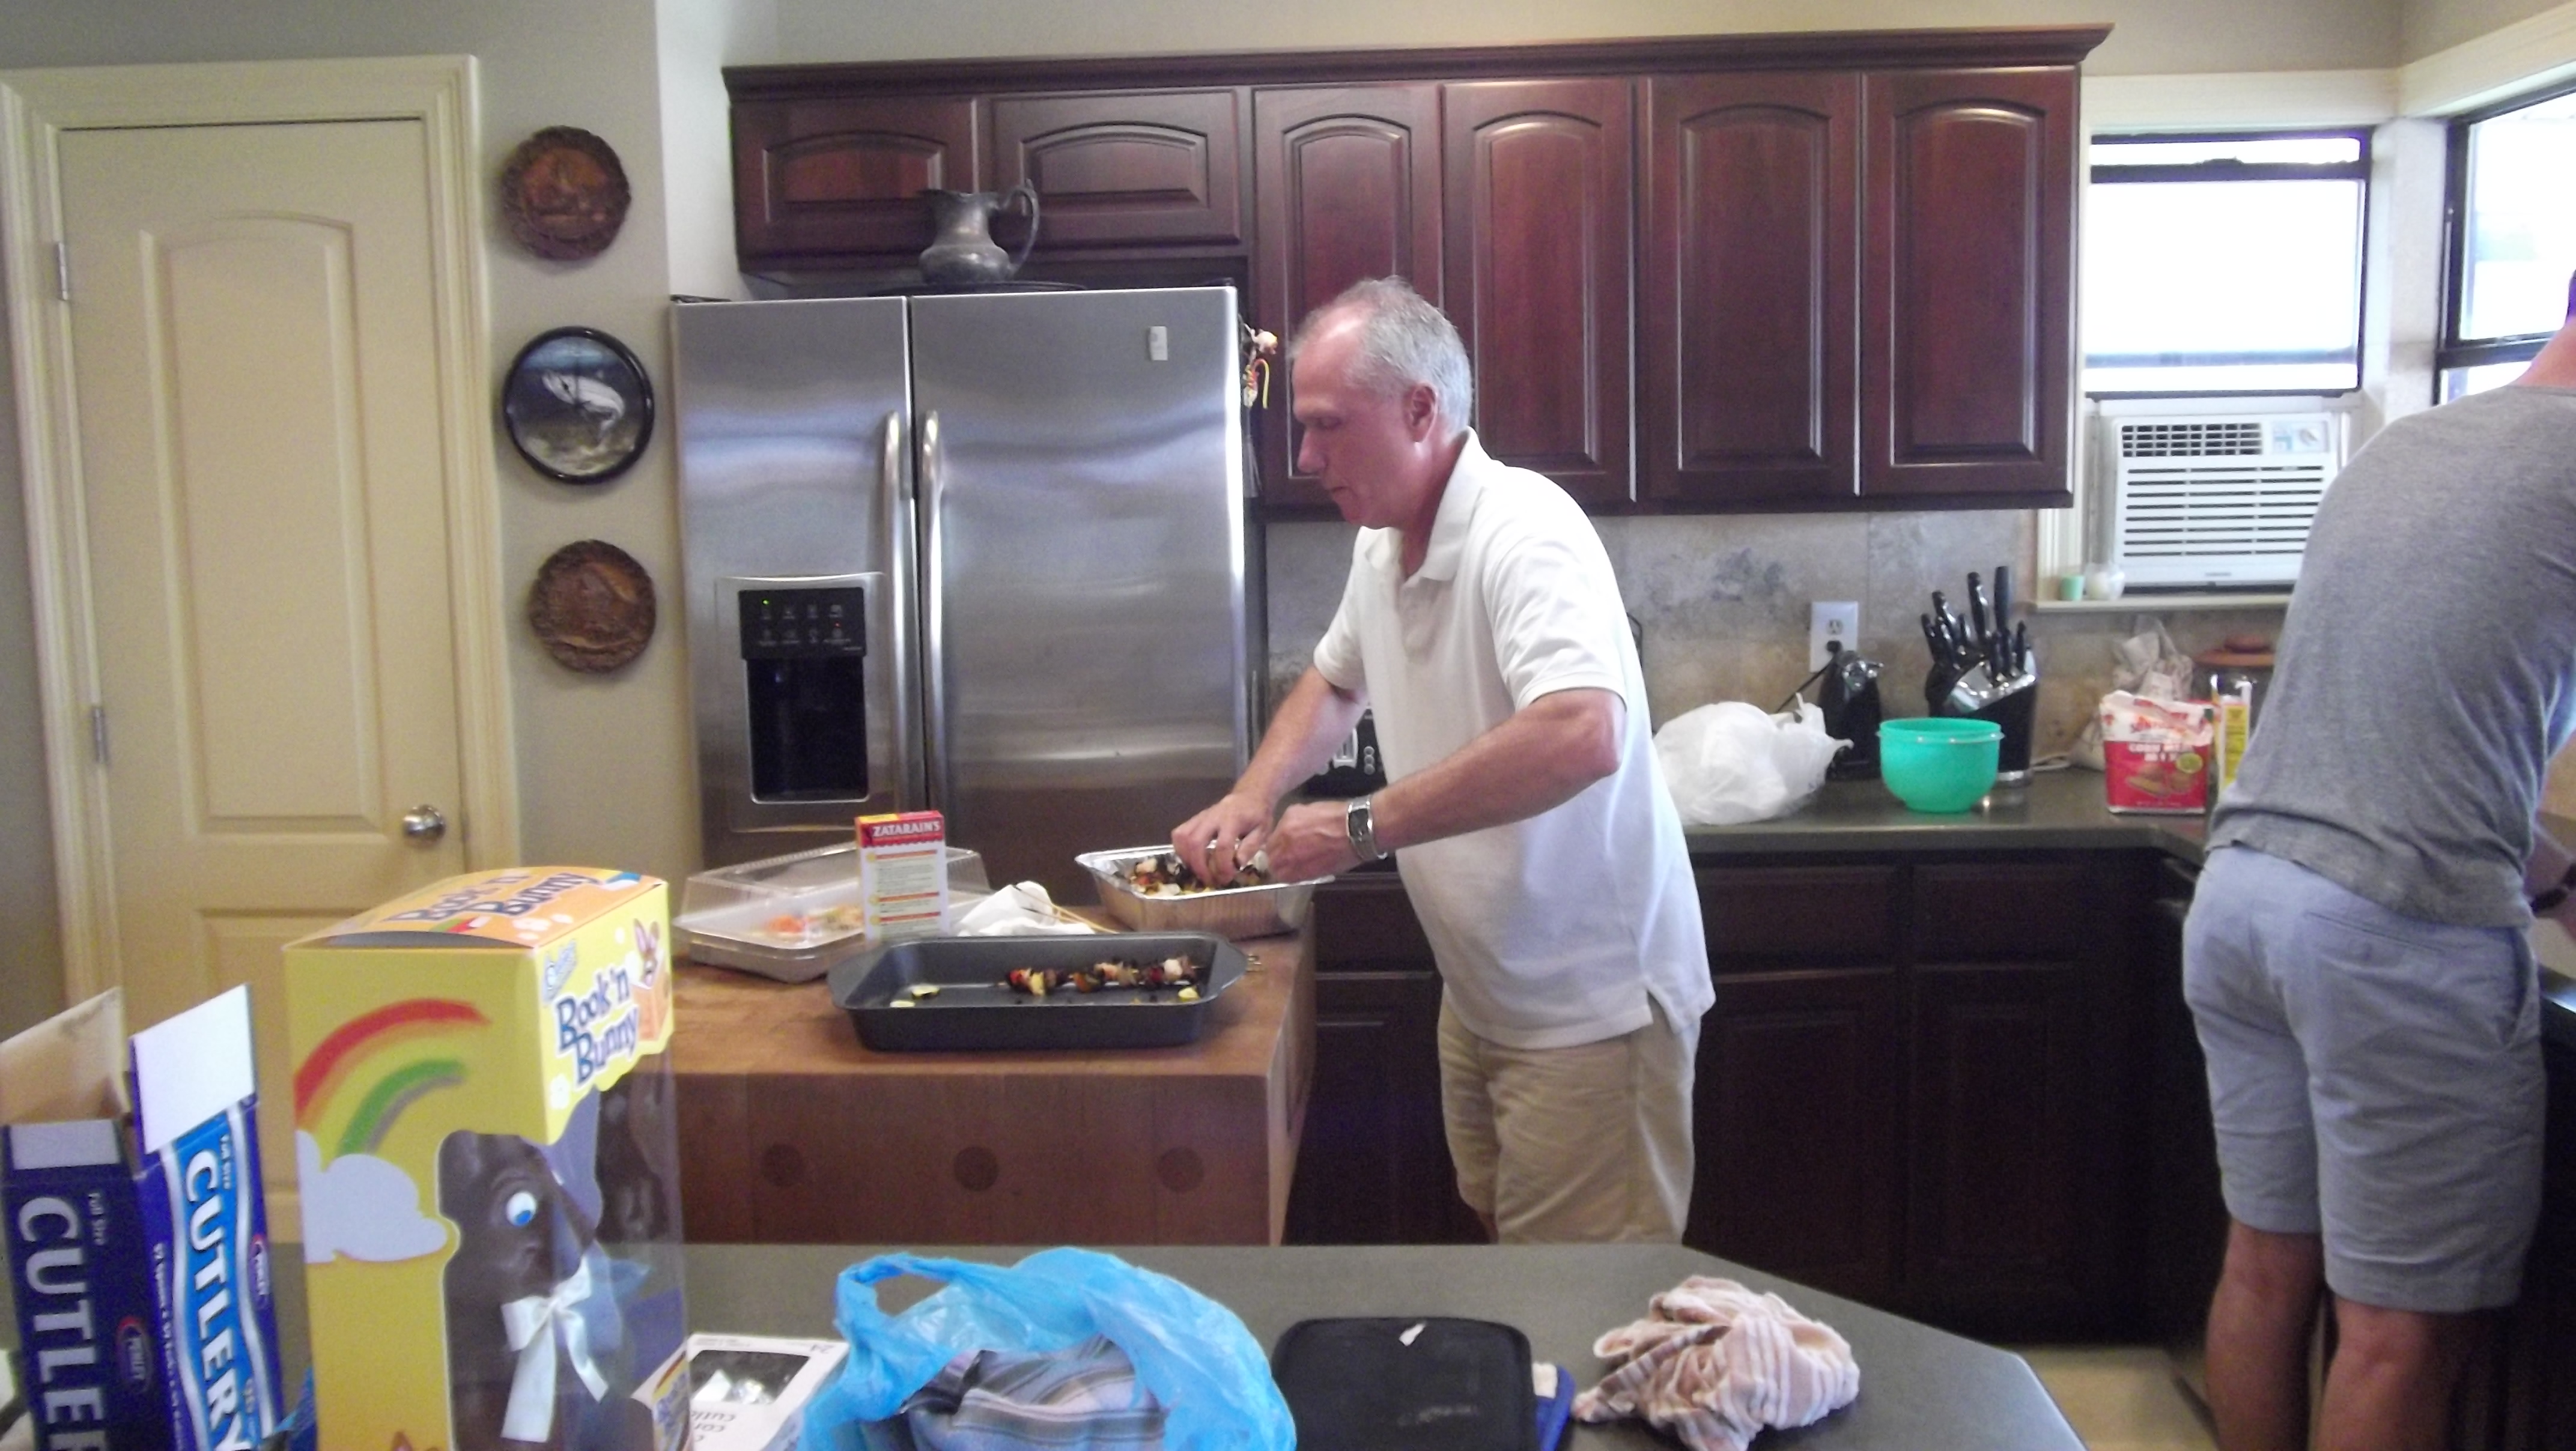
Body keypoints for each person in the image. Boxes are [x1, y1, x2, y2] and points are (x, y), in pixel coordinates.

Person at [1171, 277, 1712, 1244]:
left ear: (1421, 411)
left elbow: (1582, 731)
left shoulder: (1525, 530)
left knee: (1577, 1305)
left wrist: (1360, 827)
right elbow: (1336, 681)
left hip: (1592, 1013)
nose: (1305, 458)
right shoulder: (1383, 544)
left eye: (1328, 426)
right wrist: (1255, 793)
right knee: (1510, 1257)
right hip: (1485, 997)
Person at [2184, 282, 2576, 1451]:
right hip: (2395, 936)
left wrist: (2556, 880)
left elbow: (2416, 738)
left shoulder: (2407, 446)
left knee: (2263, 1272)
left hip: (2243, 894)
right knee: (2396, 1336)